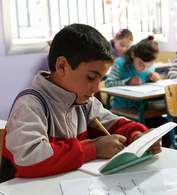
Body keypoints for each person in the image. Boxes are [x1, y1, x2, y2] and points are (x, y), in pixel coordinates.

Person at [0, 24, 162, 183]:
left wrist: (137, 137)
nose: (96, 88)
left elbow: (116, 124)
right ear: (62, 66)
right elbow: (29, 159)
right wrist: (93, 148)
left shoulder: (85, 102)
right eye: (91, 78)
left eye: (101, 79)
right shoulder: (30, 105)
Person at [105, 35, 161, 109]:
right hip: (122, 109)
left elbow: (146, 85)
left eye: (149, 65)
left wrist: (154, 79)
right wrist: (126, 82)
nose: (144, 68)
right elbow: (108, 84)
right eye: (141, 64)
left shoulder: (150, 67)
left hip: (143, 108)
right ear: (133, 54)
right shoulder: (120, 63)